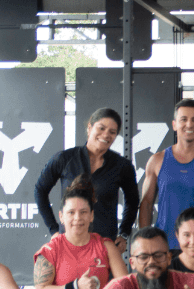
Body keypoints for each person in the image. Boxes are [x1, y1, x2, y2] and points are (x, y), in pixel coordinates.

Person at [35, 107, 138, 251]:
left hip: (105, 246)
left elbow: (133, 202)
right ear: (90, 127)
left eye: (112, 132)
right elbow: (40, 190)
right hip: (68, 245)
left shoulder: (122, 166)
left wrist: (124, 234)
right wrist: (54, 230)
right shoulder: (64, 159)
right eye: (101, 128)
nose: (106, 135)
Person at [139, 99, 194, 251]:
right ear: (174, 125)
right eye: (184, 120)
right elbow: (146, 204)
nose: (189, 125)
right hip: (164, 247)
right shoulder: (157, 160)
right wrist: (144, 243)